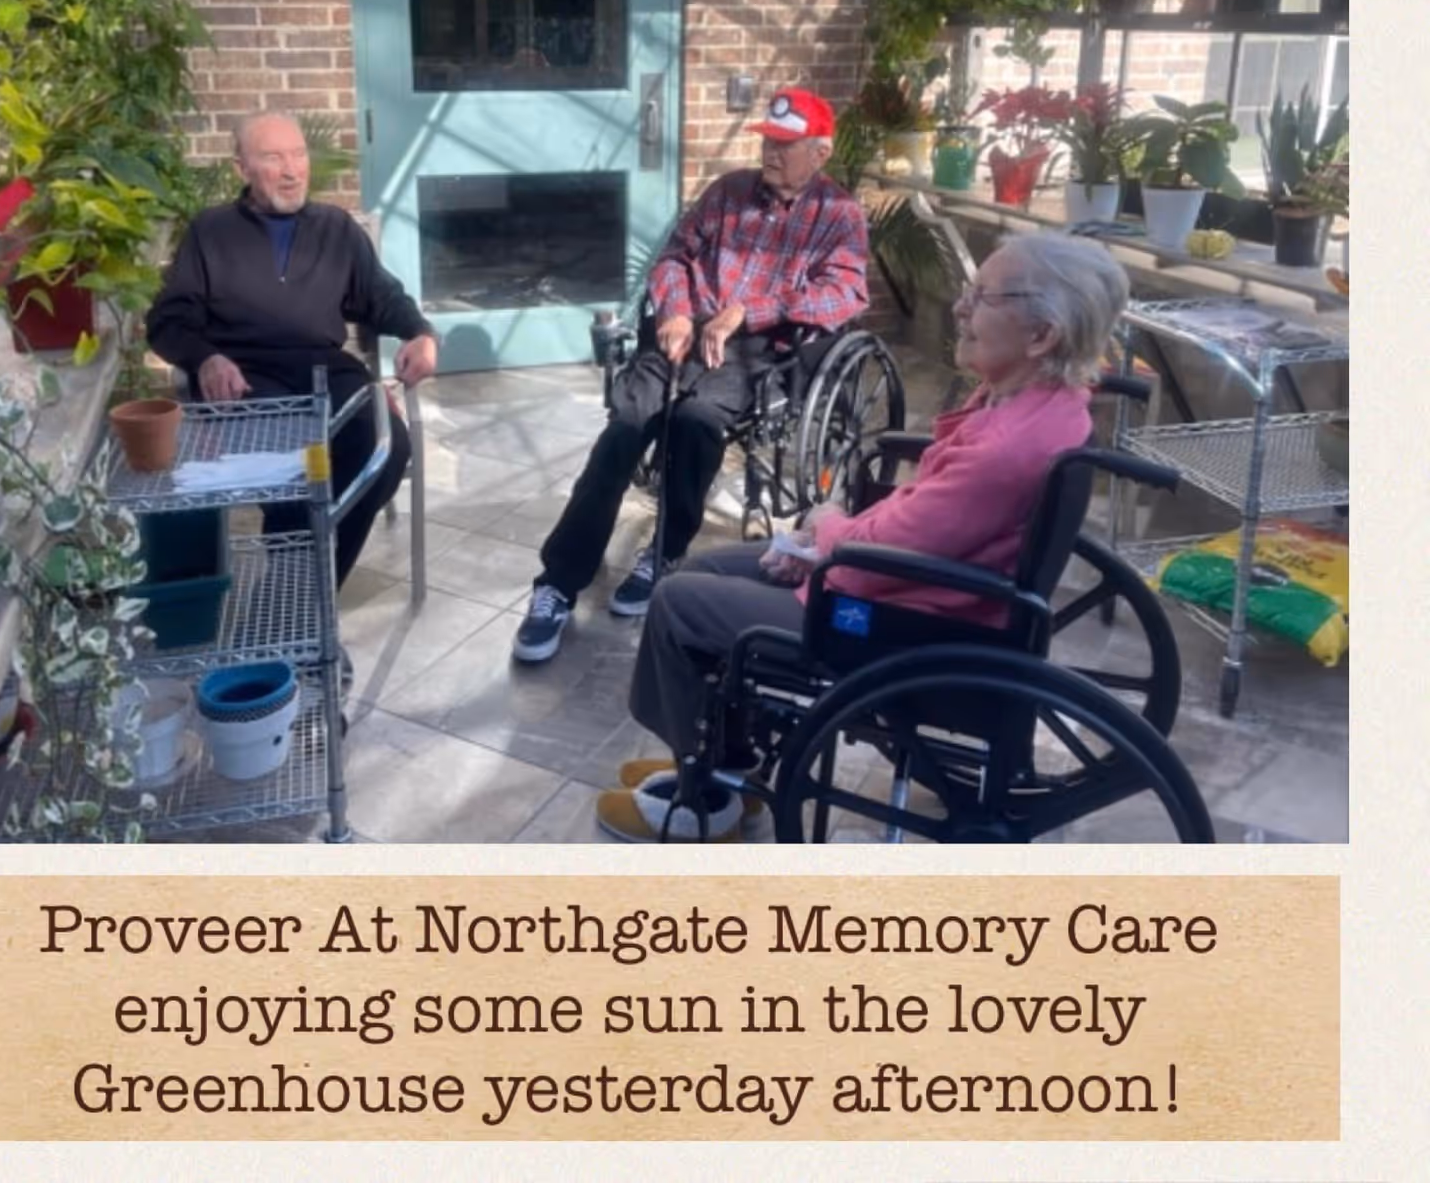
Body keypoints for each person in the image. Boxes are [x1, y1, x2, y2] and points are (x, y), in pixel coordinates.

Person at [593, 232, 1131, 842]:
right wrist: (823, 543)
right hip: (921, 593)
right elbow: (919, 526)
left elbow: (880, 559)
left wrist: (825, 533)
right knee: (709, 571)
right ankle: (726, 758)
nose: (960, 308)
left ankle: (707, 797)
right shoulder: (1041, 403)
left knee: (677, 603)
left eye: (983, 297)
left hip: (901, 622)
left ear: (1042, 336)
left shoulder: (1006, 448)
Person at [511, 87, 870, 664]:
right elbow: (675, 256)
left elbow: (844, 293)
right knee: (624, 429)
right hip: (685, 332)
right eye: (768, 141)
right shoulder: (729, 192)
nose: (771, 153)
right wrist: (676, 311)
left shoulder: (839, 214)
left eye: (786, 144)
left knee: (697, 421)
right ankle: (556, 583)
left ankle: (665, 551)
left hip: (757, 350)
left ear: (820, 152)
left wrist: (751, 311)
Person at [146, 111, 438, 587]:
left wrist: (420, 332)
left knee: (386, 448)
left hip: (324, 370)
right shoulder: (211, 231)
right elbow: (166, 321)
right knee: (290, 467)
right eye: (273, 158)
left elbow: (382, 297)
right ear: (242, 168)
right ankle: (302, 596)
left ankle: (305, 591)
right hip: (244, 380)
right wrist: (206, 359)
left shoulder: (336, 228)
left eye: (298, 155)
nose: (291, 170)